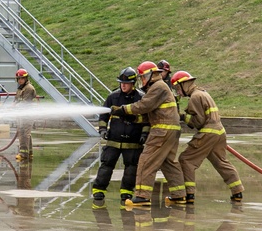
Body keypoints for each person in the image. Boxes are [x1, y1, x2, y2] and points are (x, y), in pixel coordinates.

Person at [116, 61, 186, 208]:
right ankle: (179, 195)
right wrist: (132, 117)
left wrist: (123, 109)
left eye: (142, 77)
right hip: (171, 130)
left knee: (146, 160)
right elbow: (150, 113)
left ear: (151, 75)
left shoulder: (158, 86)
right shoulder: (160, 87)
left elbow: (143, 106)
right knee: (168, 163)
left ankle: (142, 196)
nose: (142, 80)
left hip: (161, 130)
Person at [171, 71, 243, 205]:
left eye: (177, 89)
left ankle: (189, 194)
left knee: (186, 160)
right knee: (221, 161)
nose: (178, 93)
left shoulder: (195, 97)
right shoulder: (203, 93)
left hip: (208, 132)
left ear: (184, 84)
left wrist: (182, 117)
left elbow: (198, 122)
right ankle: (237, 191)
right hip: (220, 131)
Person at [92, 67, 148, 204]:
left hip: (134, 141)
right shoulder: (113, 97)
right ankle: (98, 190)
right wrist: (103, 130)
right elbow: (103, 116)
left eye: (126, 83)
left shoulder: (141, 98)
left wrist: (145, 134)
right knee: (106, 165)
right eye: (121, 82)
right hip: (113, 140)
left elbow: (147, 119)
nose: (123, 85)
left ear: (133, 83)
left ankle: (126, 193)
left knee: (131, 168)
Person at [13, 68, 38, 162]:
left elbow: (24, 103)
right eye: (18, 78)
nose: (20, 80)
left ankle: (23, 153)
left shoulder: (29, 88)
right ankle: (29, 152)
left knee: (24, 134)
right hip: (21, 114)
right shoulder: (21, 88)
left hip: (28, 114)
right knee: (25, 133)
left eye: (22, 78)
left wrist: (14, 107)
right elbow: (16, 100)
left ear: (26, 78)